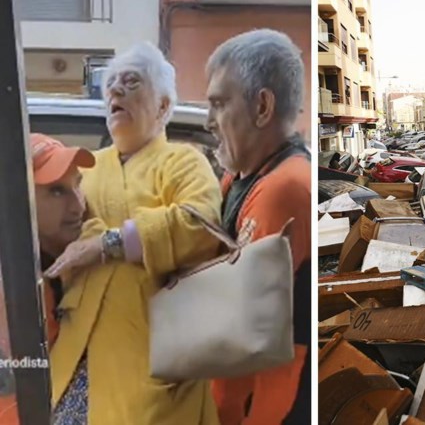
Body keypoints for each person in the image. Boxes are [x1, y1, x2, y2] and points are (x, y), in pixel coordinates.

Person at [45, 42, 223, 424]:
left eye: (131, 82)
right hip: (79, 354)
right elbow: (58, 233)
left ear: (162, 105)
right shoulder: (89, 168)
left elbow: (200, 223)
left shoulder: (183, 162)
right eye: (110, 84)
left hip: (154, 358)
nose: (115, 91)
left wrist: (106, 243)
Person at [205, 29, 311, 424]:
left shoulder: (283, 189)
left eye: (218, 104)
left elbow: (238, 319)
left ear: (262, 106)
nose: (208, 121)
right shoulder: (241, 178)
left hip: (265, 407)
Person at [0, 133, 95, 423]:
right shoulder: (14, 285)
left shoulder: (79, 254)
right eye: (56, 191)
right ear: (19, 201)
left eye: (77, 185)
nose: (78, 206)